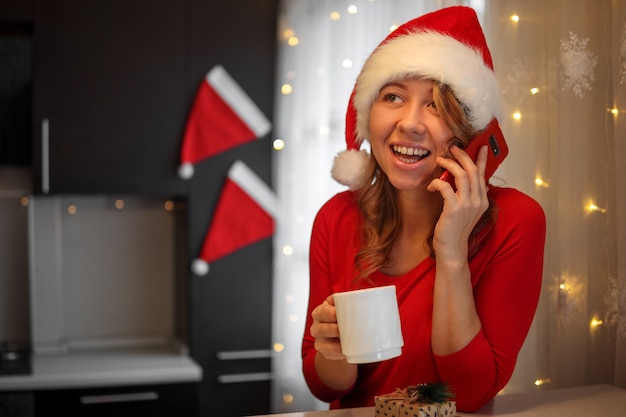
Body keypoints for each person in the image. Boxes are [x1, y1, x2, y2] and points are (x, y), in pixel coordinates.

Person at [301, 6, 546, 413]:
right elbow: (326, 388)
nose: (410, 123)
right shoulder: (337, 217)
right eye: (393, 96)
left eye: (436, 104)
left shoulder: (517, 220)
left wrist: (451, 253)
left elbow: (469, 394)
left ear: (471, 130)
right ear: (368, 114)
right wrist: (333, 351)